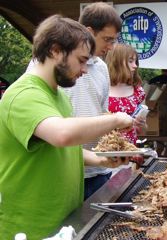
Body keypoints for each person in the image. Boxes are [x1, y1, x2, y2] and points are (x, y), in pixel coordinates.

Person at [0, 15, 133, 240]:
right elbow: (62, 135)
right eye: (81, 60)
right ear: (55, 50)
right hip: (30, 227)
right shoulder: (24, 95)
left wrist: (100, 159)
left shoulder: (59, 95)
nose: (85, 70)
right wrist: (116, 119)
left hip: (64, 221)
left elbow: (60, 150)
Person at [27, 2, 122, 200]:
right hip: (58, 176)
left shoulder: (101, 69)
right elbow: (60, 135)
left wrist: (105, 156)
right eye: (107, 39)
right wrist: (117, 120)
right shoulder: (34, 86)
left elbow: (100, 115)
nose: (111, 47)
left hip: (93, 171)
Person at [106, 43, 146, 145]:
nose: (135, 65)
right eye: (130, 61)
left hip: (130, 151)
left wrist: (141, 125)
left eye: (135, 61)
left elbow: (142, 131)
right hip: (105, 149)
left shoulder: (139, 92)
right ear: (117, 62)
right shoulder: (102, 88)